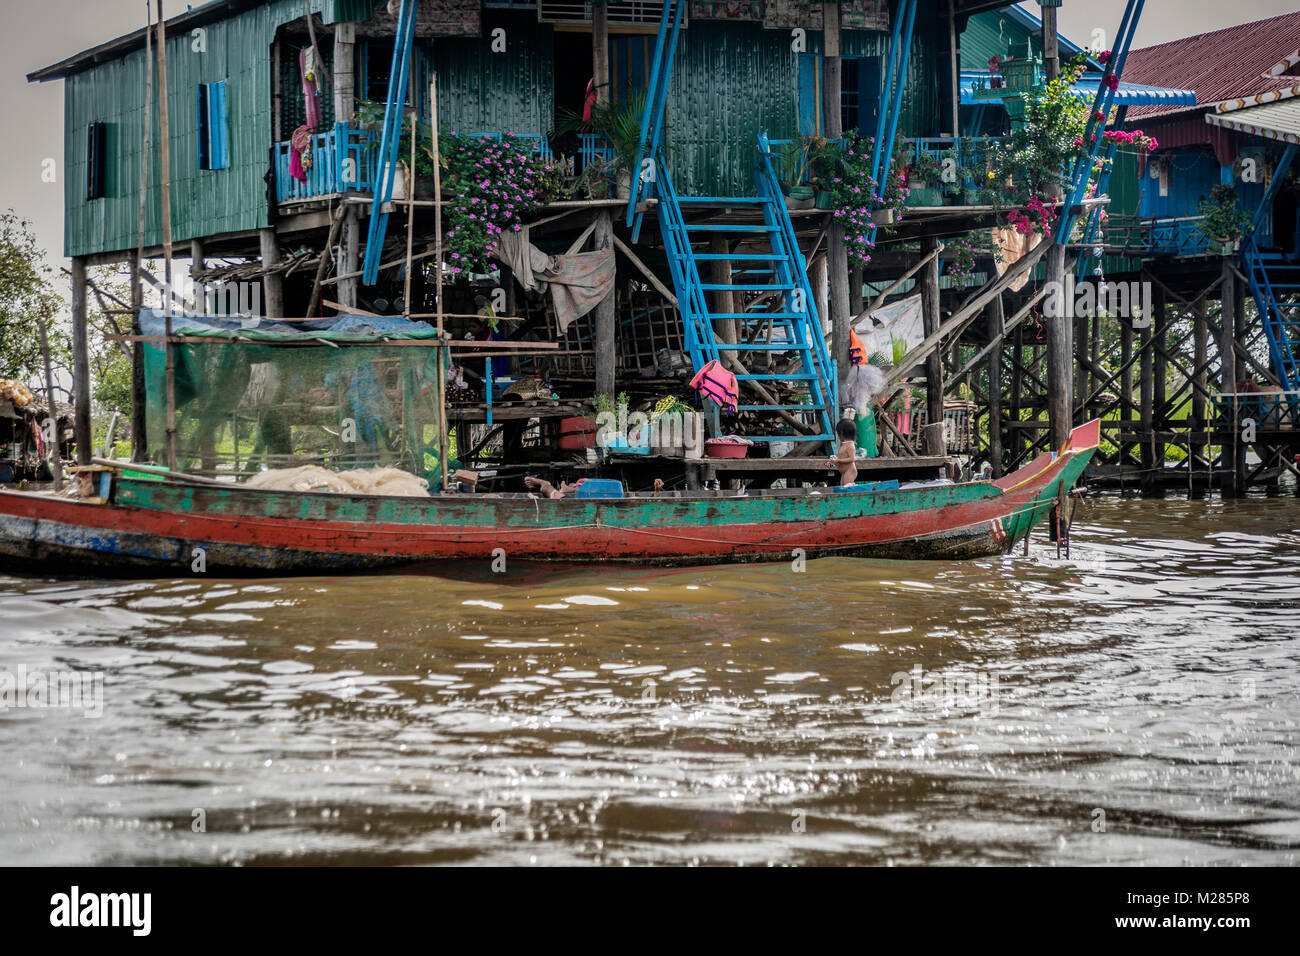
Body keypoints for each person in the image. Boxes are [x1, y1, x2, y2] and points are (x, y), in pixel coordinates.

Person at [825, 419, 859, 487]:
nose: (837, 435)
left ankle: (852, 496)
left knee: (847, 487)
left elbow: (852, 459)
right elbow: (840, 457)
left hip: (849, 470)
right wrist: (832, 463)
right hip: (844, 471)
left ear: (842, 433)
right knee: (842, 486)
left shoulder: (850, 445)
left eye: (838, 433)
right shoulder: (844, 444)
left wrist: (838, 460)